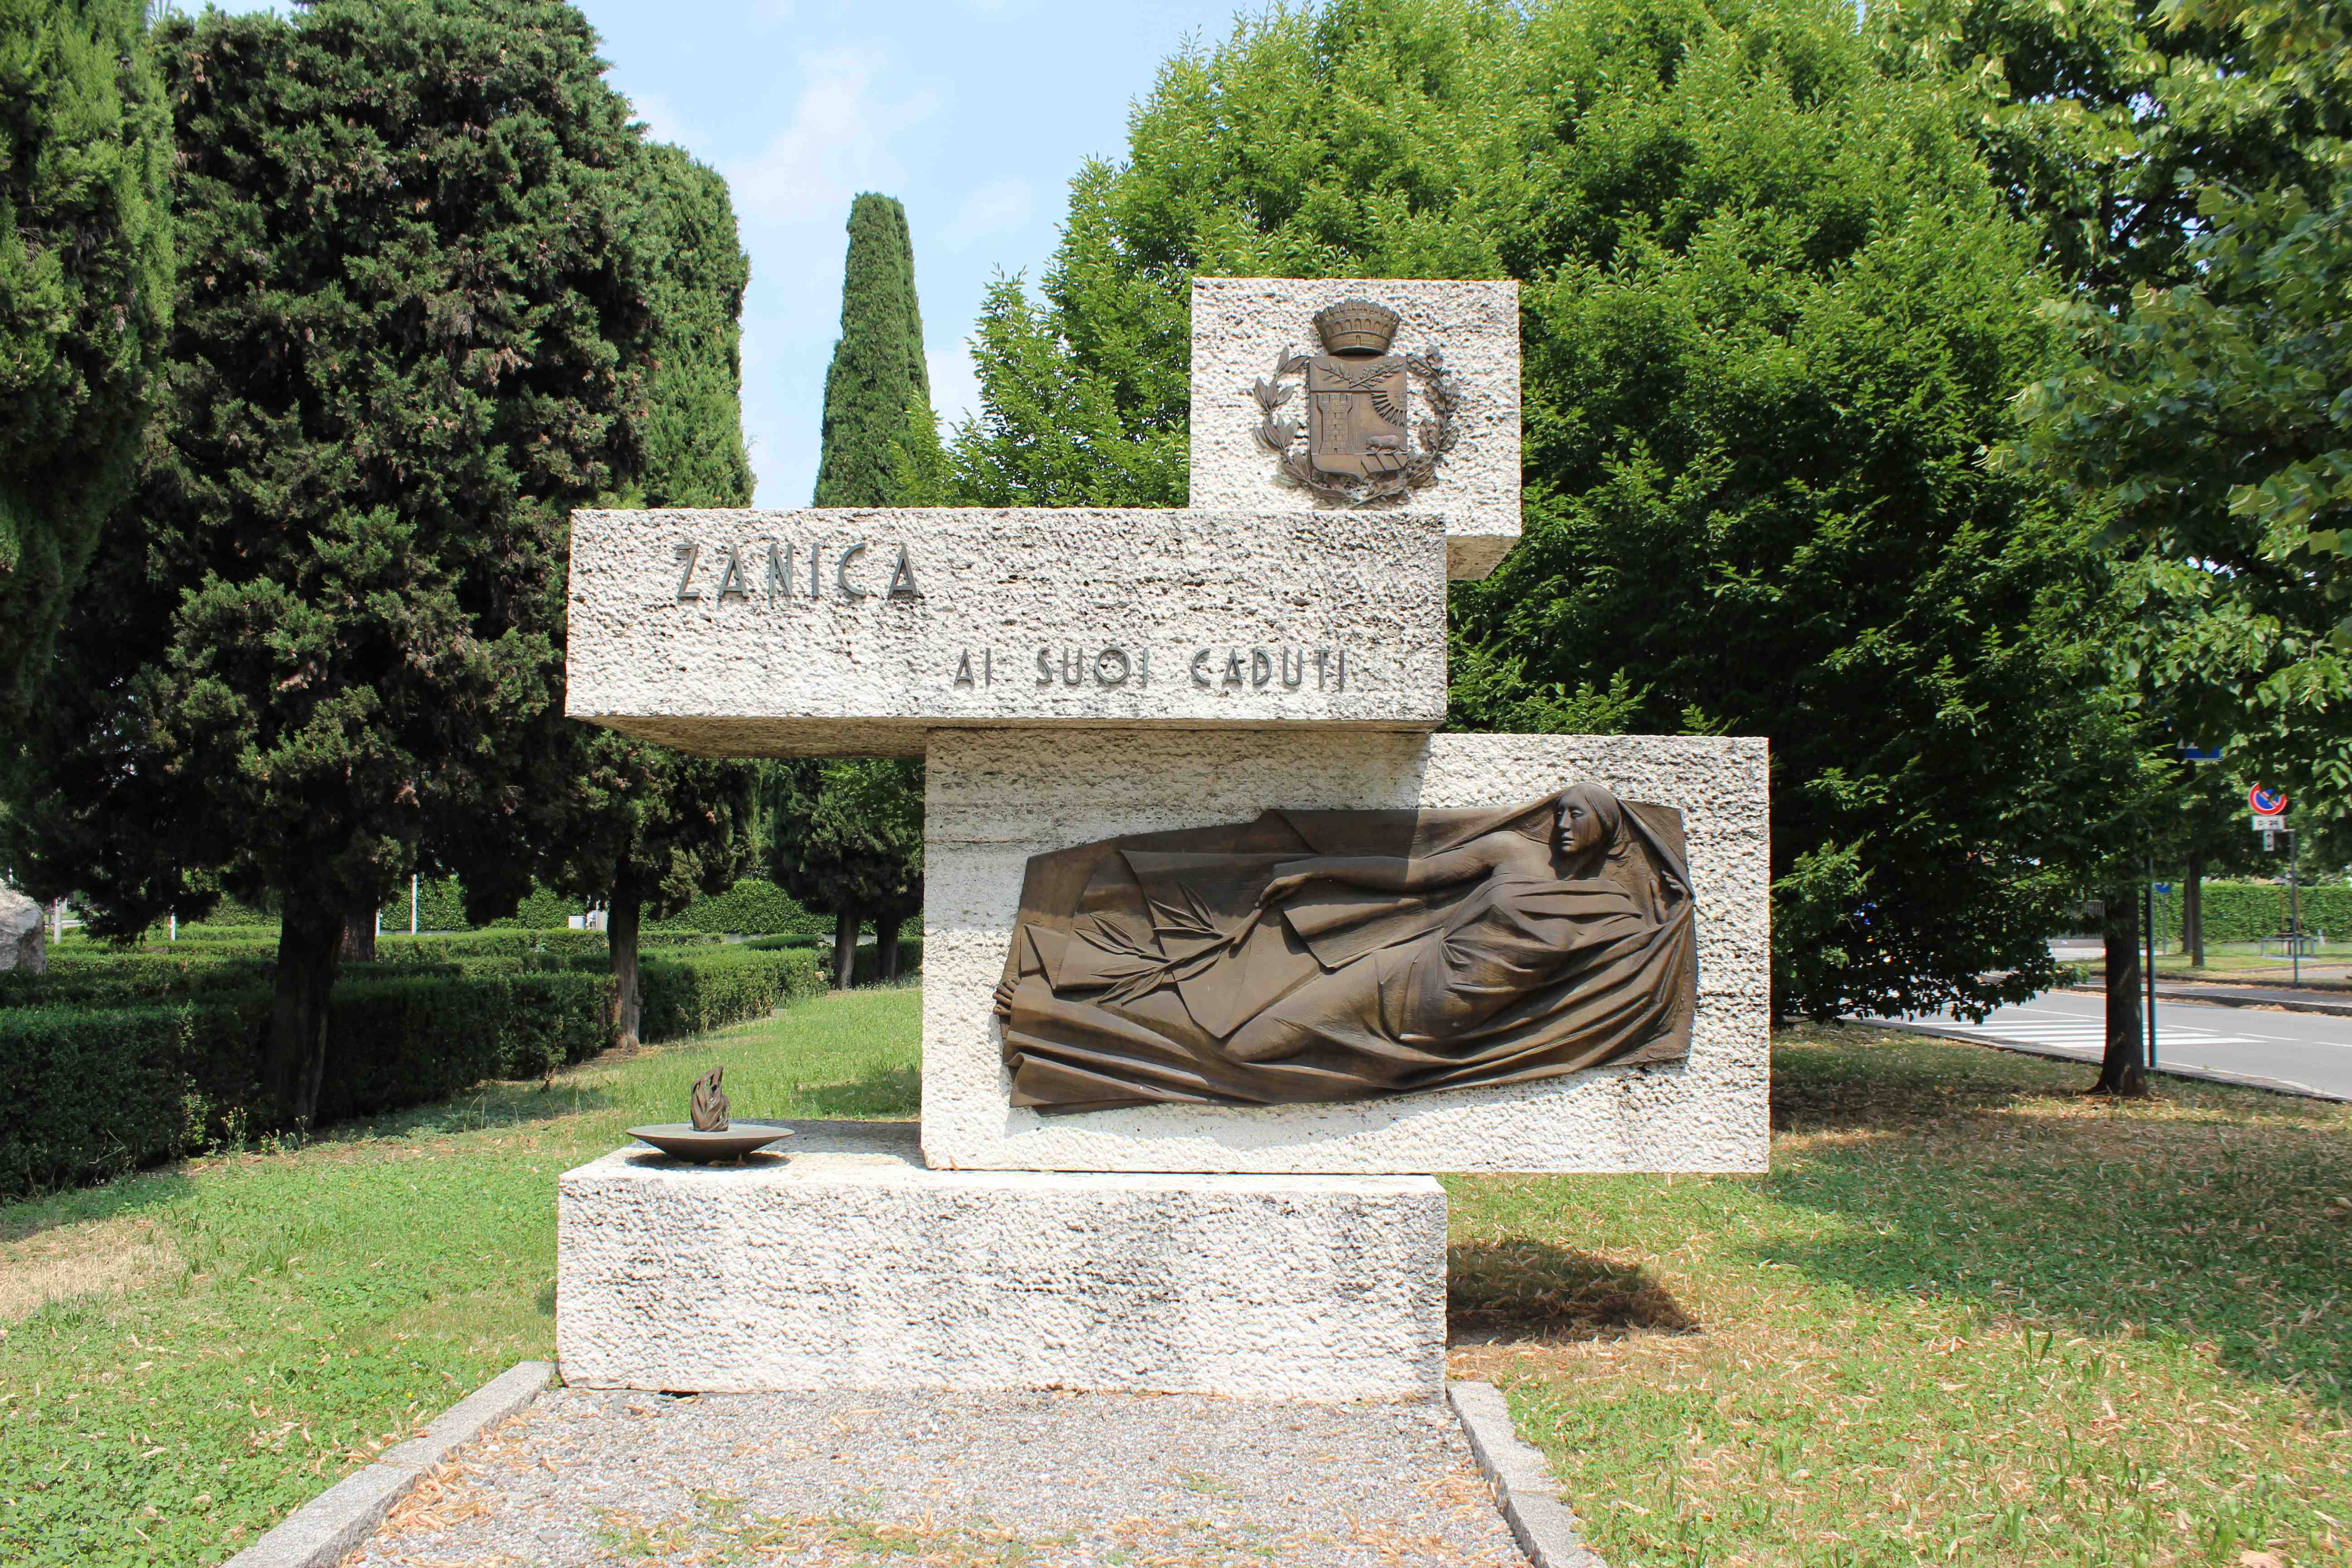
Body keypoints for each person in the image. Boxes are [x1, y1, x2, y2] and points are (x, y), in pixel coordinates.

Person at [995, 783, 1698, 1110]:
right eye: (1562, 810)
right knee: (1245, 1046)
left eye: (1580, 814)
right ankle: (1060, 1014)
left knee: (1247, 1057)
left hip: (1448, 1030)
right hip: (1402, 973)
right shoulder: (1510, 851)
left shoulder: (1614, 912)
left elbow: (1607, 985)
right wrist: (1321, 868)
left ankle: (1059, 1023)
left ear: (1610, 826)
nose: (1565, 823)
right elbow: (1415, 876)